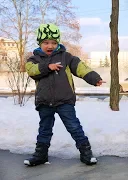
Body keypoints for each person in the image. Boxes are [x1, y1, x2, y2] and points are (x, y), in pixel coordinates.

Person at [24, 23, 105, 166]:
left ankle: (86, 153)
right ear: (39, 43)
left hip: (64, 101)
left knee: (74, 126)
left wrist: (94, 78)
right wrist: (47, 67)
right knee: (44, 129)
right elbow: (31, 71)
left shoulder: (66, 57)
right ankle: (41, 155)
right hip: (44, 101)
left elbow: (80, 67)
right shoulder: (34, 59)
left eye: (54, 43)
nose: (50, 46)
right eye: (46, 42)